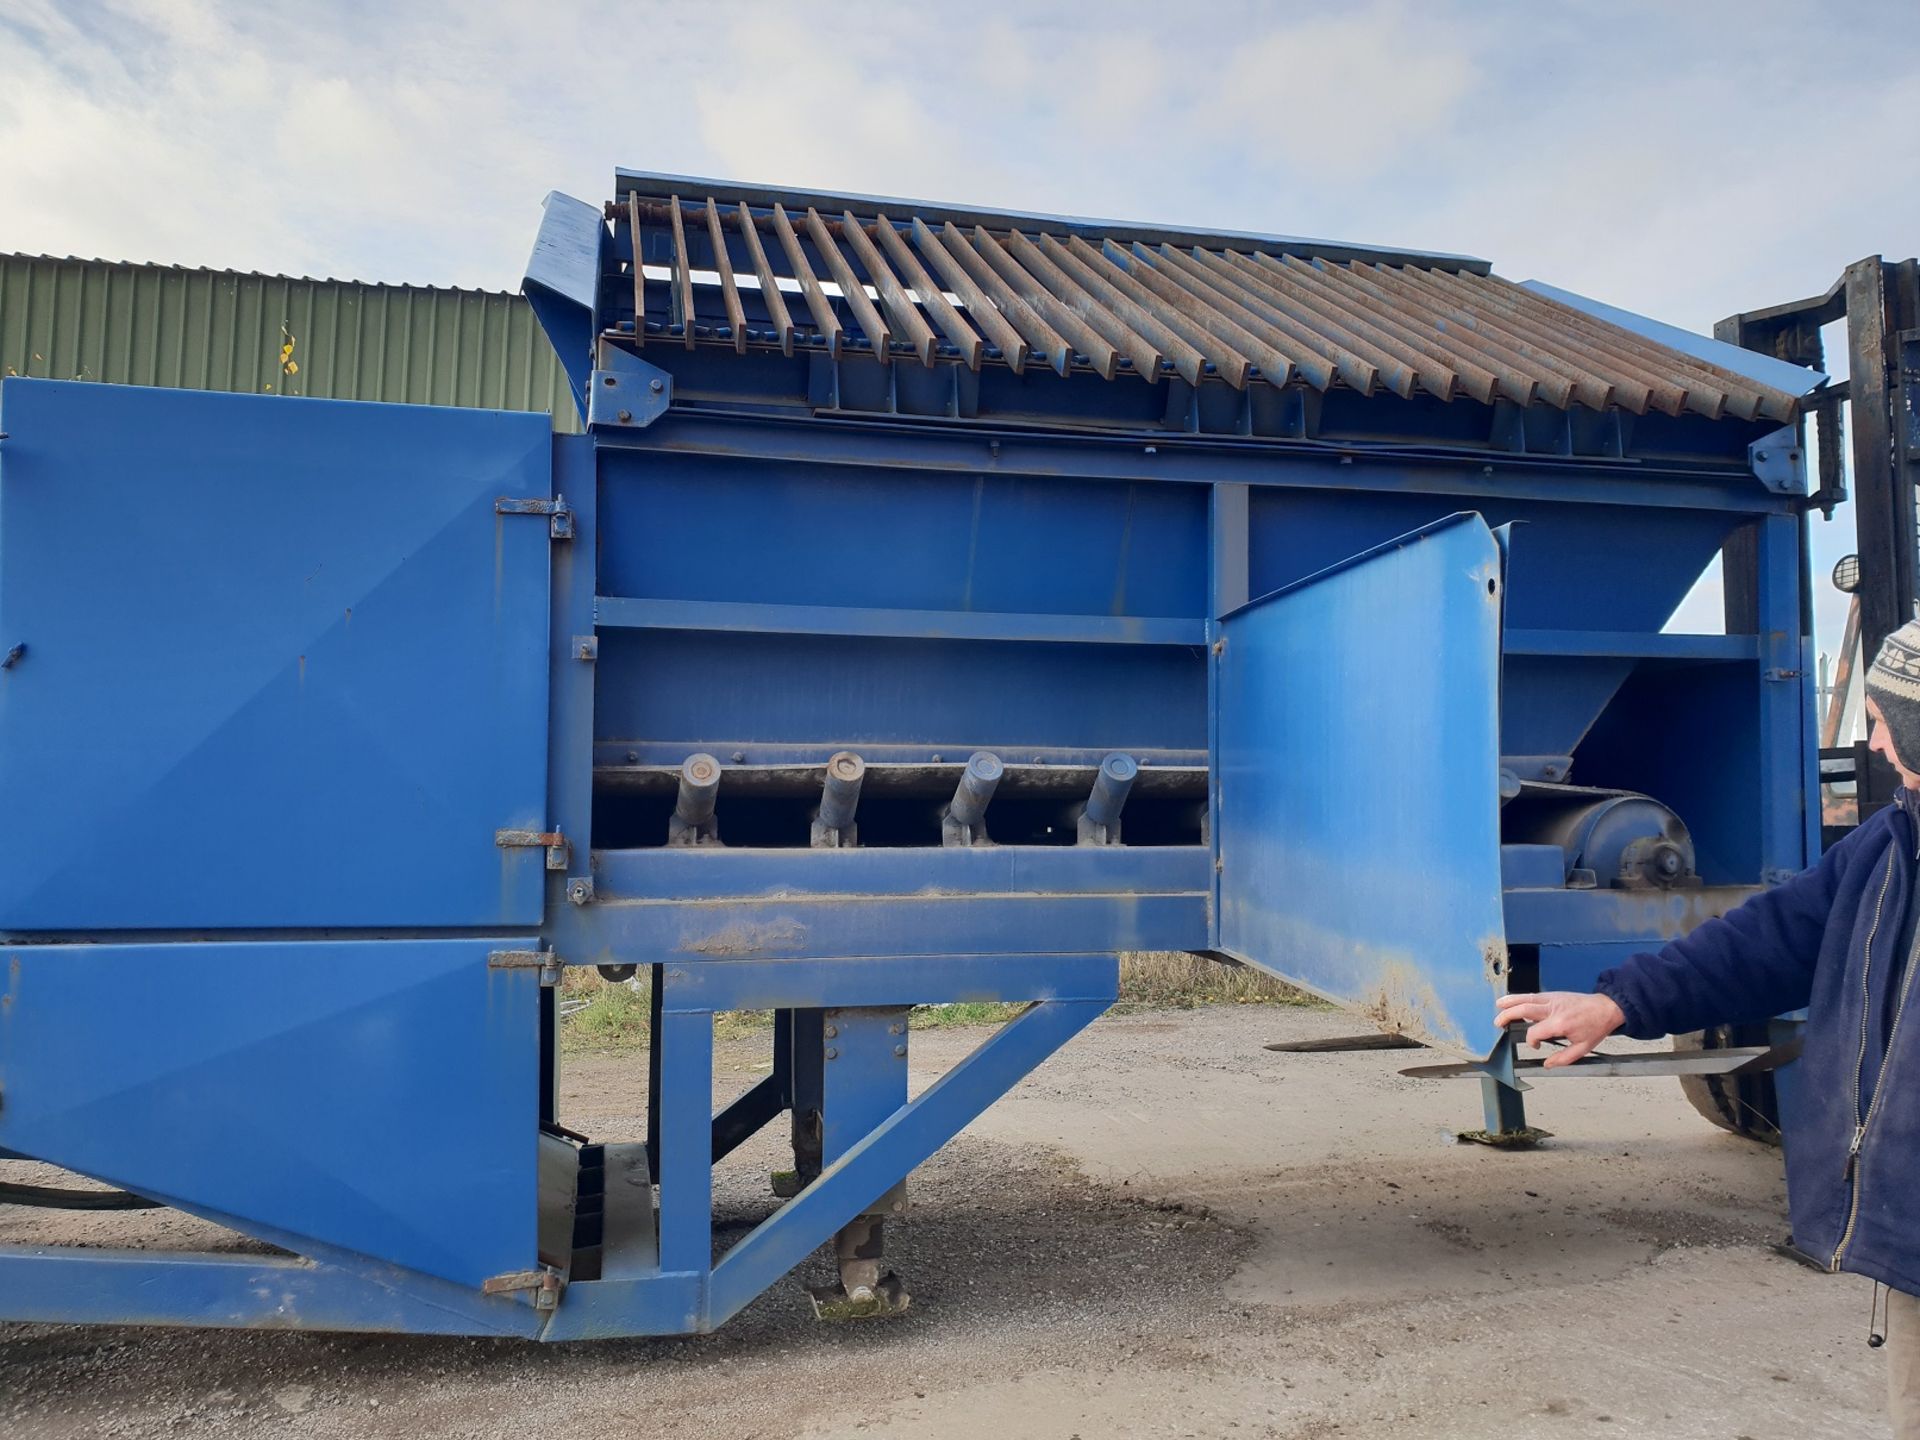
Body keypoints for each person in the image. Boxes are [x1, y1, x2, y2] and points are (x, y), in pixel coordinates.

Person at [1497, 619, 1920, 1435]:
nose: (1868, 742)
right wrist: (1620, 1004)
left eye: (1880, 718)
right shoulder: (1889, 846)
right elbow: (1764, 942)